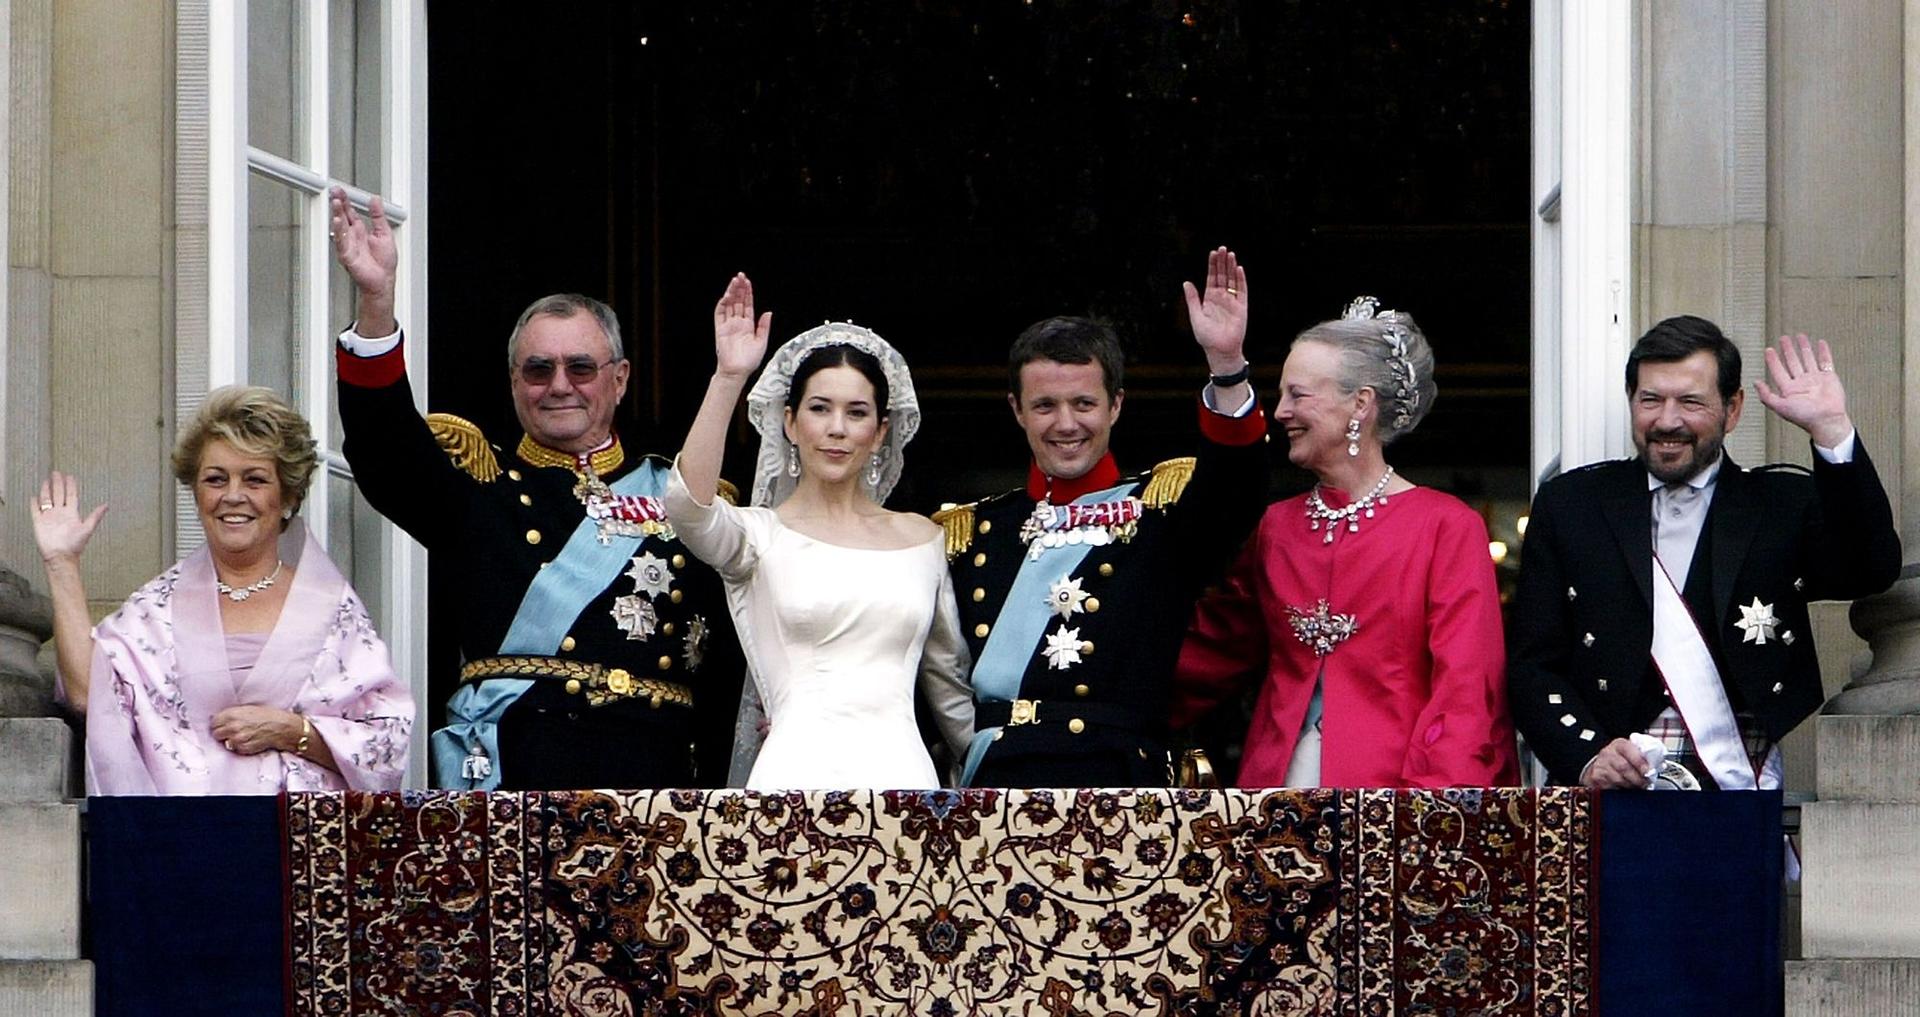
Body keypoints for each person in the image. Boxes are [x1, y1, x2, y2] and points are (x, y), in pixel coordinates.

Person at [328, 189, 742, 790]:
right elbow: (384, 448)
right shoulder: (477, 485)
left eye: (581, 368)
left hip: (656, 778)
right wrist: (375, 302)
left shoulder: (686, 497)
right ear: (515, 381)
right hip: (517, 769)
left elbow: (729, 666)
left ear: (619, 379)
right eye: (538, 369)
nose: (559, 386)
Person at [1509, 317, 1900, 791]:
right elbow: (1532, 664)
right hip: (1604, 790)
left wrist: (1832, 430)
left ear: (1732, 409)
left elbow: (1870, 569)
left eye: (1690, 402)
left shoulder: (1780, 504)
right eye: (1650, 399)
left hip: (1734, 783)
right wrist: (1587, 755)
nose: (1667, 421)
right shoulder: (1571, 506)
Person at [936, 247, 1269, 788]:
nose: (1066, 424)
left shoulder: (1163, 511)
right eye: (1045, 406)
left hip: (1116, 782)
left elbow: (1237, 488)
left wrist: (1228, 367)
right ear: (1017, 410)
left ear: (1116, 405)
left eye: (1084, 404)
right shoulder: (974, 531)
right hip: (994, 784)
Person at [1173, 298, 1519, 788]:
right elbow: (1212, 652)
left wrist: (1432, 818)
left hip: (1399, 798)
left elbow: (1466, 689)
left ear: (1360, 403)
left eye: (1298, 395)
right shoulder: (1276, 527)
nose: (1282, 412)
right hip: (1273, 794)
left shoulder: (1445, 526)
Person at [663, 274, 973, 790]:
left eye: (857, 413)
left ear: (880, 433)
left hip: (906, 787)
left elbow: (951, 693)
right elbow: (688, 508)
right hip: (793, 783)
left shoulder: (923, 540)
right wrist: (728, 377)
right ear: (789, 422)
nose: (837, 428)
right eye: (819, 408)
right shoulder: (756, 538)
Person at [30, 386, 413, 794]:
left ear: (288, 496)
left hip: (300, 847)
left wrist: (293, 732)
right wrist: (62, 564)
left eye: (255, 479)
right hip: (185, 843)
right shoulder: (158, 608)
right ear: (197, 493)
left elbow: (386, 745)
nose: (233, 496)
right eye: (215, 479)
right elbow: (90, 694)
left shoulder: (332, 609)